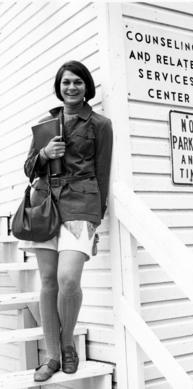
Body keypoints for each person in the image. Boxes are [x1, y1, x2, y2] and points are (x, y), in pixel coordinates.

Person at [19, 60, 113, 381]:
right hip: (44, 202)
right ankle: (53, 356)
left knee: (68, 279)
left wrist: (96, 222)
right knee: (47, 282)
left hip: (81, 204)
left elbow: (102, 174)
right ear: (58, 88)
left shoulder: (100, 124)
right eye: (65, 83)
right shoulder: (46, 124)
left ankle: (68, 342)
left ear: (87, 86)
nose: (71, 87)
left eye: (77, 82)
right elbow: (29, 168)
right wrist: (44, 154)